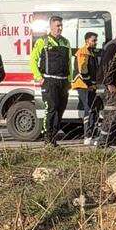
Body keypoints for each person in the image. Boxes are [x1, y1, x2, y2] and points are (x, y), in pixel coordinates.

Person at [30, 16, 73, 145]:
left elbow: (69, 63)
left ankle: (53, 139)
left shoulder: (65, 42)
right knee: (51, 109)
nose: (60, 28)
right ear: (51, 27)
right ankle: (47, 139)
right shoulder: (43, 41)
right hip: (49, 81)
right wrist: (39, 77)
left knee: (60, 110)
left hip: (63, 81)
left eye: (61, 25)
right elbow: (33, 60)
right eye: (57, 25)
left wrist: (69, 80)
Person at [72, 30, 101, 142]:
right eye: (94, 40)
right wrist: (89, 84)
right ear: (87, 40)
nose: (96, 42)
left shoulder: (91, 52)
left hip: (90, 85)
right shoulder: (83, 52)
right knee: (89, 108)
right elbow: (83, 70)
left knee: (93, 108)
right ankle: (87, 135)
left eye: (96, 40)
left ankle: (92, 134)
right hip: (83, 85)